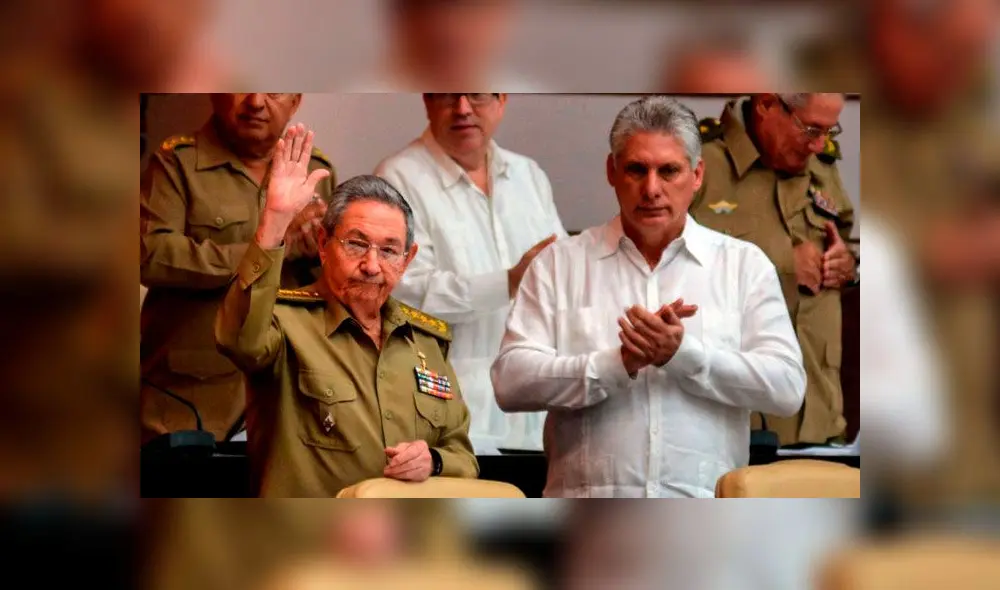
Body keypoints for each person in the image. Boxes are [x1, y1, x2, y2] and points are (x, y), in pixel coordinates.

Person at [490, 96, 805, 498]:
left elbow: (787, 388)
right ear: (612, 171)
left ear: (697, 175)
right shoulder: (559, 263)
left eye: (669, 170)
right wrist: (615, 363)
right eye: (637, 169)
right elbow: (509, 382)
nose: (651, 188)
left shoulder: (743, 266)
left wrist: (684, 355)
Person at [216, 124, 478, 497]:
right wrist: (275, 220)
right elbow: (237, 338)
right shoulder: (283, 323)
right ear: (323, 244)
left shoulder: (427, 342)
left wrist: (433, 461)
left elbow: (464, 456)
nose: (372, 265)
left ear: (407, 260)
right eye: (356, 244)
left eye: (389, 251)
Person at [376, 93, 567, 454]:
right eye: (449, 95)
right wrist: (508, 282)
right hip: (447, 396)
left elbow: (560, 269)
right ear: (427, 101)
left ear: (502, 100)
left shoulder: (528, 174)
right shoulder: (398, 176)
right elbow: (403, 287)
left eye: (477, 94)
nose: (463, 108)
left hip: (535, 398)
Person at [141, 93, 335, 444]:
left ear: (296, 102)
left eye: (274, 90)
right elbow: (150, 255)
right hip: (195, 393)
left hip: (286, 391)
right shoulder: (177, 162)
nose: (256, 102)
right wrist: (274, 244)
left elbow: (329, 287)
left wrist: (321, 251)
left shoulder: (316, 169)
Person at [690, 93, 856, 447]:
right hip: (737, 427)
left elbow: (845, 237)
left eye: (829, 132)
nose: (817, 144)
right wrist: (781, 262)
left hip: (823, 417)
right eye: (811, 128)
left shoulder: (821, 163)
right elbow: (660, 262)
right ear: (766, 103)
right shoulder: (697, 163)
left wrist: (848, 263)